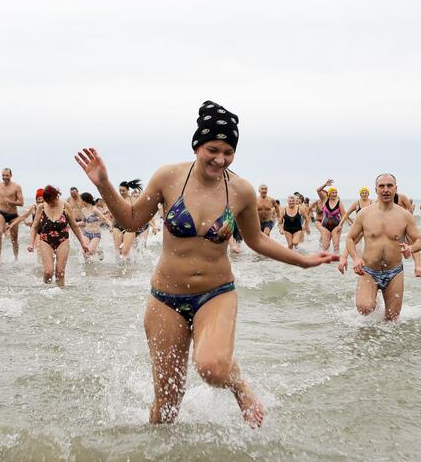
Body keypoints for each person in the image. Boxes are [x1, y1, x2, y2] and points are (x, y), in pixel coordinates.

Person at [74, 100, 337, 428]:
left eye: (229, 151)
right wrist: (103, 183)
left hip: (216, 293)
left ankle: (240, 387)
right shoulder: (168, 177)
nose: (220, 159)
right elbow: (130, 220)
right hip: (165, 298)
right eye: (213, 149)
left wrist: (302, 261)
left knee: (212, 368)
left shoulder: (241, 190)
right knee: (167, 405)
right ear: (197, 144)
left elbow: (256, 239)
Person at [338, 173, 421, 321]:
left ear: (396, 188)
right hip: (369, 270)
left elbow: (419, 241)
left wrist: (411, 249)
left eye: (389, 186)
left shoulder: (405, 215)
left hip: (394, 272)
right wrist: (355, 258)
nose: (386, 189)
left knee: (392, 320)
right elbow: (350, 238)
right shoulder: (364, 214)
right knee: (365, 309)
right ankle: (372, 297)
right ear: (376, 189)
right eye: (382, 186)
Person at [27, 185, 90, 286]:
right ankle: (45, 292)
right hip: (45, 240)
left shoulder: (66, 206)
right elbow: (34, 227)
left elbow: (74, 226)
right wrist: (31, 243)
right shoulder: (41, 207)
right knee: (48, 272)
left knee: (60, 272)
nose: (49, 203)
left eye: (50, 201)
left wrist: (83, 243)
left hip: (62, 240)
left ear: (56, 196)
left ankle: (61, 294)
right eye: (47, 201)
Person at [0, 168, 24, 261]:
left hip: (13, 215)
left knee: (14, 239)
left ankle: (16, 258)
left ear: (11, 175)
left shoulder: (16, 187)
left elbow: (21, 203)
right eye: (3, 175)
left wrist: (11, 202)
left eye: (7, 175)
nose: (5, 177)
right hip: (1, 213)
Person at [79, 192, 111, 260]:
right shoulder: (83, 210)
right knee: (84, 253)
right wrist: (74, 224)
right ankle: (88, 269)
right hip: (86, 233)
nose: (81, 202)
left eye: (82, 201)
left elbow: (104, 219)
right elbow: (84, 222)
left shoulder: (94, 210)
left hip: (96, 235)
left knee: (89, 252)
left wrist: (111, 227)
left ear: (86, 200)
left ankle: (99, 251)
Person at [316, 180, 346, 253]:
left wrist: (340, 225)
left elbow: (344, 215)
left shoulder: (339, 203)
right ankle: (324, 262)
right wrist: (325, 185)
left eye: (336, 192)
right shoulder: (325, 200)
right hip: (325, 226)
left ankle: (336, 262)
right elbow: (318, 190)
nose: (334, 194)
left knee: (336, 246)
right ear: (329, 193)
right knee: (325, 246)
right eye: (333, 192)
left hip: (336, 226)